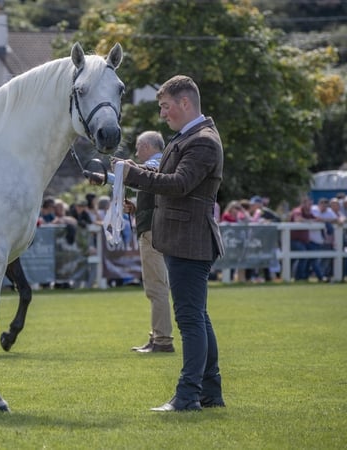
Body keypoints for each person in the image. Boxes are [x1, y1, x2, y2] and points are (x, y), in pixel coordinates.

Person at [86, 75, 225, 412]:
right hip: (183, 238)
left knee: (190, 320)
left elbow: (178, 184)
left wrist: (130, 174)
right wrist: (126, 170)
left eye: (165, 106)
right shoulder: (189, 137)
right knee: (198, 318)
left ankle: (188, 395)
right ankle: (209, 391)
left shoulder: (202, 141)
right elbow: (165, 179)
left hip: (188, 240)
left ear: (185, 103)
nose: (163, 114)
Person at [123, 131, 174, 354]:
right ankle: (157, 336)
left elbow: (149, 174)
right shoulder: (161, 163)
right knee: (156, 286)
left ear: (146, 146)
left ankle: (162, 340)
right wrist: (136, 208)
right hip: (154, 229)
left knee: (156, 287)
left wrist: (128, 167)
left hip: (152, 232)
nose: (136, 152)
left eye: (138, 147)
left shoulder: (154, 164)